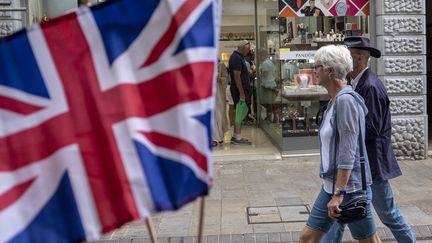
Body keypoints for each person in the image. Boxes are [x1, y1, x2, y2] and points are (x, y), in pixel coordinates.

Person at [321, 37, 416, 242]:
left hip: (372, 165)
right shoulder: (355, 84)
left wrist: (346, 131)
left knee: (389, 214)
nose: (344, 61)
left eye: (348, 56)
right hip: (360, 167)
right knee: (341, 216)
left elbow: (371, 128)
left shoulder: (370, 86)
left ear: (359, 59)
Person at [299, 45, 381, 243]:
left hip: (349, 189)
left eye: (317, 66)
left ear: (330, 70)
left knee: (369, 240)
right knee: (307, 238)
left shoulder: (346, 101)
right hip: (330, 186)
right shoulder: (334, 101)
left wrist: (339, 193)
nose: (313, 71)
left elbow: (348, 150)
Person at [228, 40, 252, 145]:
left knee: (240, 111)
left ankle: (236, 135)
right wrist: (241, 92)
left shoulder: (238, 57)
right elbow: (236, 76)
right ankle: (237, 137)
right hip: (239, 90)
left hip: (240, 89)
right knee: (240, 111)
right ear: (242, 48)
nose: (248, 52)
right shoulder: (236, 58)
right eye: (247, 50)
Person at [212, 60, 229, 147]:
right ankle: (213, 138)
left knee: (219, 114)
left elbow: (226, 77)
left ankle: (219, 136)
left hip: (218, 93)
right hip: (207, 94)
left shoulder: (220, 64)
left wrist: (220, 78)